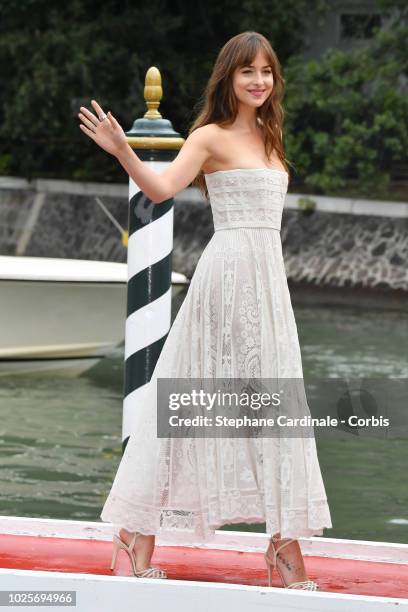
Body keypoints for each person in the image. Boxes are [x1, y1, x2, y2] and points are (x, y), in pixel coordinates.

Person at [78, 31, 332, 590]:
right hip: (224, 281)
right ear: (229, 77)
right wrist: (123, 150)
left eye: (266, 71)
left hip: (268, 284)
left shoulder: (272, 133)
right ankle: (135, 537)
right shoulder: (209, 136)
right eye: (248, 72)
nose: (259, 81)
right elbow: (163, 188)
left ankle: (284, 552)